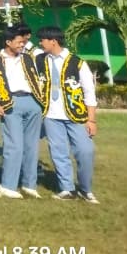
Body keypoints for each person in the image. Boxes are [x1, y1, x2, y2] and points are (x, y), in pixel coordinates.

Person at [34, 26, 98, 203]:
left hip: (76, 115)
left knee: (86, 151)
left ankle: (85, 189)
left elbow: (89, 92)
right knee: (58, 152)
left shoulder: (77, 63)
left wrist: (91, 120)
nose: (40, 43)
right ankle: (66, 189)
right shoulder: (39, 60)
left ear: (53, 41)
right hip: (51, 115)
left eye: (43, 40)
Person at [0, 24, 47, 199]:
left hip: (32, 101)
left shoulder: (28, 58)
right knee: (14, 145)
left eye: (23, 42)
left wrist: (39, 103)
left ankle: (29, 184)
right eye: (19, 42)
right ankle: (8, 185)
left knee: (31, 146)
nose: (22, 44)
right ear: (8, 42)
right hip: (11, 102)